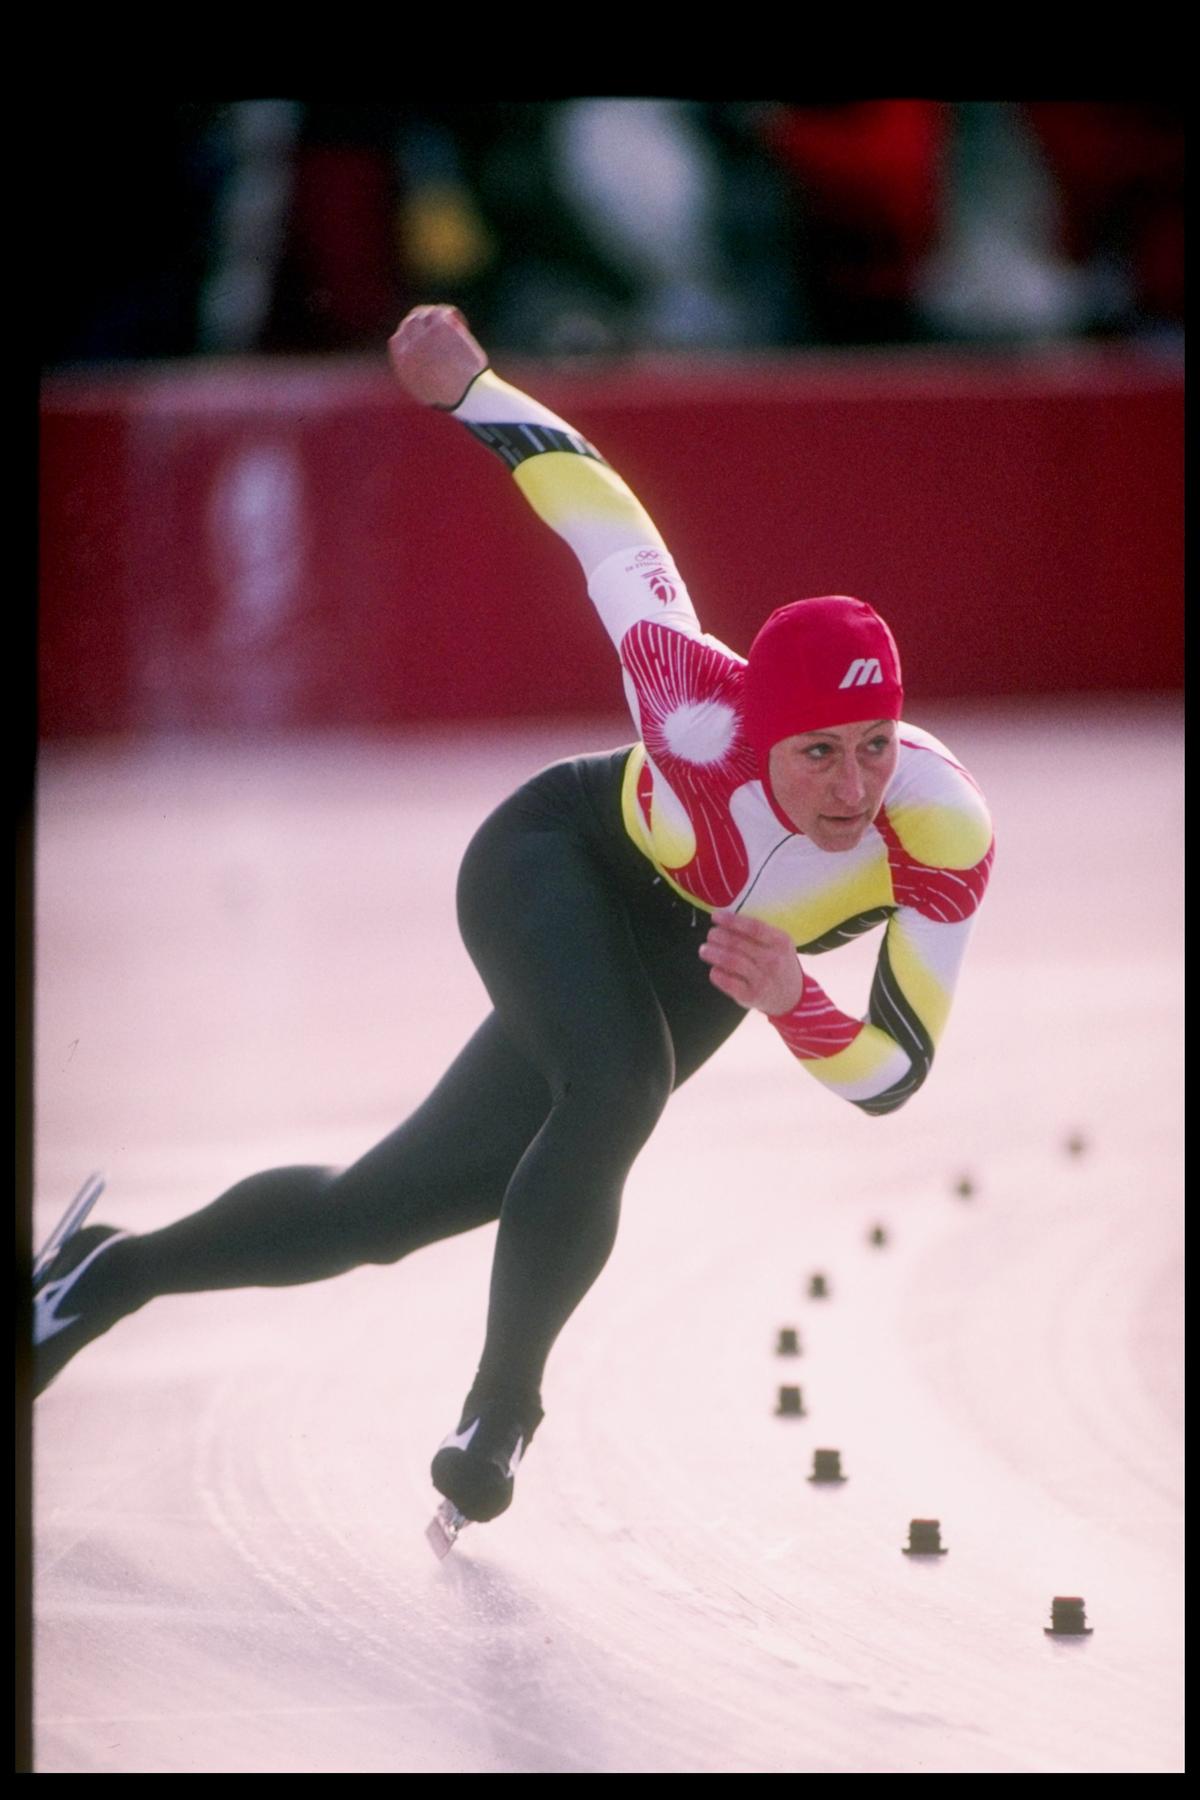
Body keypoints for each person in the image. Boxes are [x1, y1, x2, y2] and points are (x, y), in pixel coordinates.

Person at [34, 305, 994, 1528]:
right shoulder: (690, 695)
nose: (855, 791)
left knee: (373, 1214)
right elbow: (602, 514)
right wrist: (470, 386)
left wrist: (794, 999)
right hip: (559, 858)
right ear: (762, 733)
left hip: (709, 967)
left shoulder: (941, 823)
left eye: (874, 749)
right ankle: (504, 1412)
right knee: (614, 1091)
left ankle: (109, 1271)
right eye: (819, 757)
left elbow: (894, 1077)